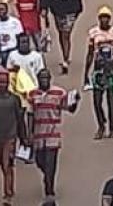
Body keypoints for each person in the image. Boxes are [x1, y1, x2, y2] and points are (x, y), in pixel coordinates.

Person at [28, 68, 77, 199]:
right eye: (42, 78)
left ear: (50, 79)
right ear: (38, 80)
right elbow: (30, 115)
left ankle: (49, 190)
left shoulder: (59, 92)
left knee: (51, 162)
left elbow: (70, 109)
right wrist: (29, 133)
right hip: (38, 134)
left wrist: (75, 101)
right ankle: (47, 177)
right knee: (39, 161)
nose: (44, 80)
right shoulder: (32, 94)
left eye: (46, 78)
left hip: (53, 133)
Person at [86, 6, 113, 139]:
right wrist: (86, 73)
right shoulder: (93, 32)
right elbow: (90, 53)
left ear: (110, 19)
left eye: (107, 17)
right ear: (99, 19)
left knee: (112, 99)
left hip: (112, 66)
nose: (104, 20)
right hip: (98, 67)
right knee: (97, 100)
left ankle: (111, 127)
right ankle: (101, 125)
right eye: (102, 17)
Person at [0, 71, 28, 204]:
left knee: (6, 164)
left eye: (4, 82)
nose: (2, 85)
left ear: (8, 83)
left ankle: (7, 194)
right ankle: (9, 182)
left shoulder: (14, 99)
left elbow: (20, 118)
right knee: (3, 165)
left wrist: (23, 137)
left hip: (11, 136)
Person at [41, 0, 83, 75]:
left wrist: (77, 10)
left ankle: (65, 58)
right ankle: (65, 54)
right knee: (61, 34)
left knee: (66, 34)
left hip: (70, 12)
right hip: (57, 12)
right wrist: (44, 8)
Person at [0, 1, 24, 66]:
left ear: (7, 10)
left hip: (13, 51)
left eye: (2, 9)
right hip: (0, 53)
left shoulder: (15, 22)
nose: (0, 11)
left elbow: (20, 38)